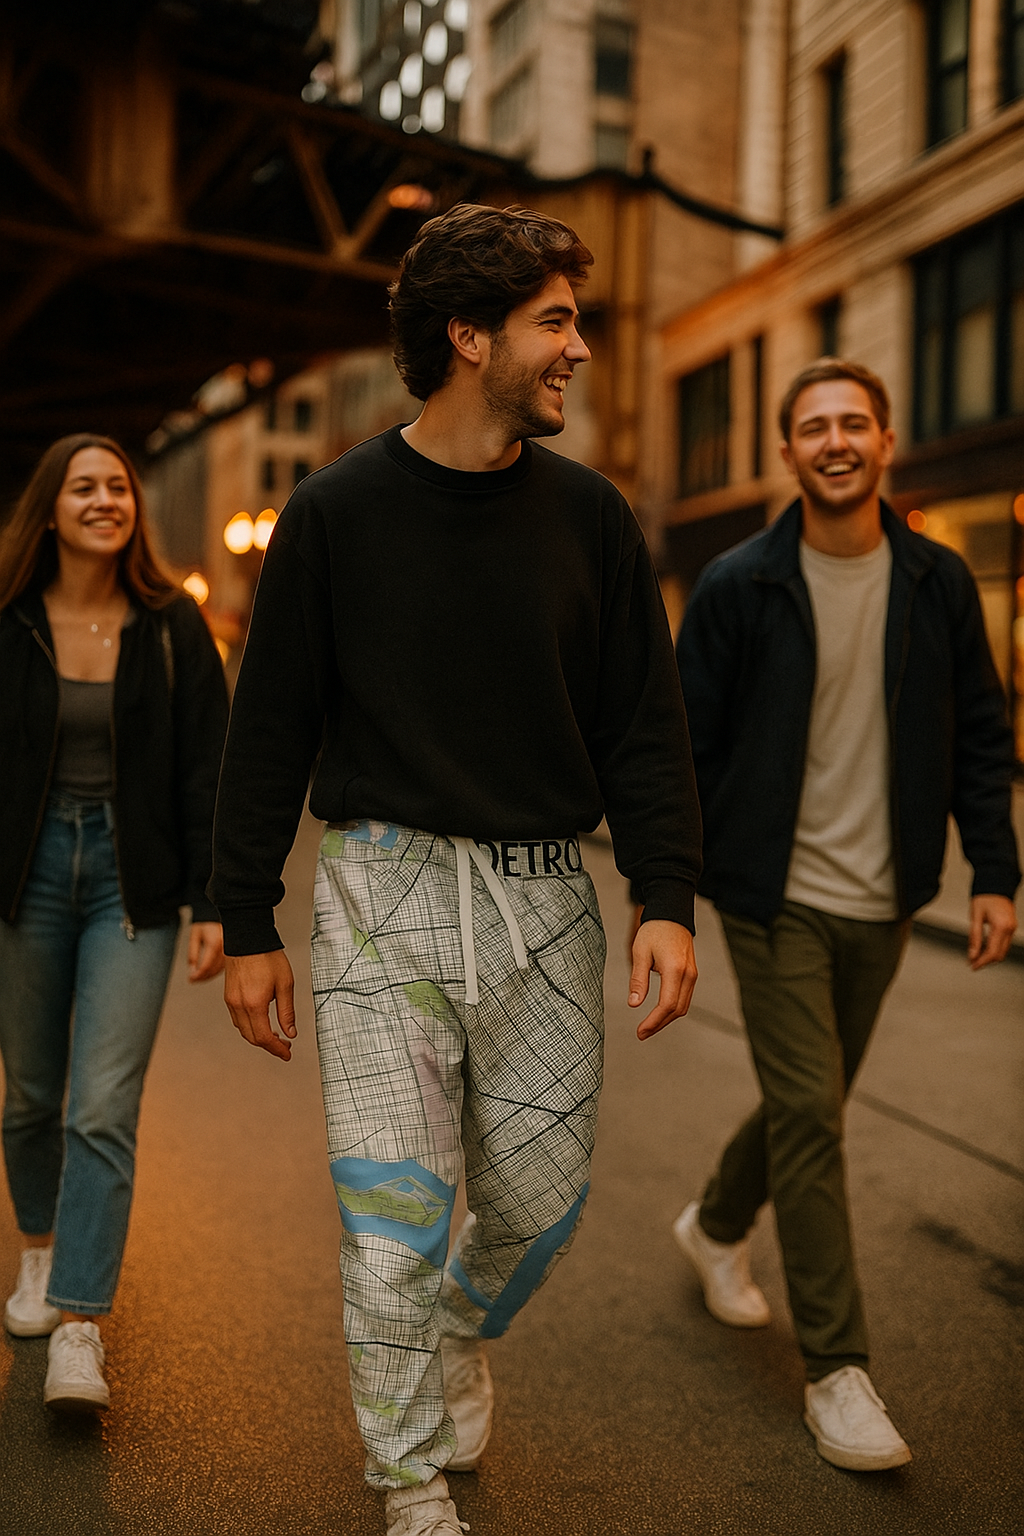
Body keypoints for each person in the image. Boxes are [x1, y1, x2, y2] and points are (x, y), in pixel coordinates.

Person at [210, 204, 701, 1536]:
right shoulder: (333, 515)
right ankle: (407, 1478)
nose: (580, 351)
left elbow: (642, 731)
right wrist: (243, 913)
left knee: (537, 1207)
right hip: (380, 899)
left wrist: (664, 896)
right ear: (468, 333)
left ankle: (452, 1325)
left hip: (548, 902)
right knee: (391, 1219)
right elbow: (271, 727)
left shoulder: (595, 522)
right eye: (556, 322)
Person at [665, 358, 1019, 1471]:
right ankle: (838, 1372)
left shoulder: (937, 581)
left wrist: (996, 873)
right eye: (812, 426)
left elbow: (977, 732)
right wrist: (666, 895)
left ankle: (714, 1224)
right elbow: (682, 751)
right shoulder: (737, 584)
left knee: (802, 1102)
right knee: (814, 1113)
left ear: (885, 442)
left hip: (883, 896)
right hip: (770, 895)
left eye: (852, 423)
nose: (834, 441)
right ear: (786, 451)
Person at [0, 433, 228, 1412]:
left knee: (100, 1102)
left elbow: (208, 773)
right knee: (29, 1095)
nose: (106, 500)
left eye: (119, 487)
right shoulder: (8, 622)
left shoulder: (173, 627)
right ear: (48, 509)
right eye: (84, 488)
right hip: (28, 873)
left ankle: (81, 1324)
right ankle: (41, 1252)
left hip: (131, 889)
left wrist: (221, 902)